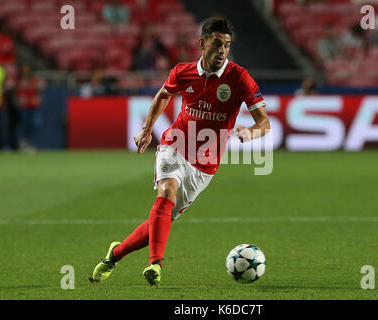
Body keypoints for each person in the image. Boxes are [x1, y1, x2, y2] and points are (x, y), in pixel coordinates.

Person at [90, 18, 271, 286]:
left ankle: (114, 255)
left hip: (205, 165)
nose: (222, 50)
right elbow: (164, 95)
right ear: (202, 43)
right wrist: (147, 129)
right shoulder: (182, 72)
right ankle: (155, 264)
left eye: (227, 45)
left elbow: (264, 122)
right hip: (175, 144)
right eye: (217, 43)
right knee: (166, 193)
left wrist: (251, 132)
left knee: (160, 221)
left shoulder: (239, 77)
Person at [17, 64, 42, 151]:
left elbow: (40, 92)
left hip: (34, 106)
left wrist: (40, 99)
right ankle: (24, 142)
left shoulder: (34, 80)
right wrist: (18, 101)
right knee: (25, 124)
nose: (25, 72)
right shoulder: (19, 80)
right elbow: (16, 93)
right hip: (24, 106)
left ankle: (30, 142)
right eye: (24, 70)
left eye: (27, 70)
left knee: (36, 124)